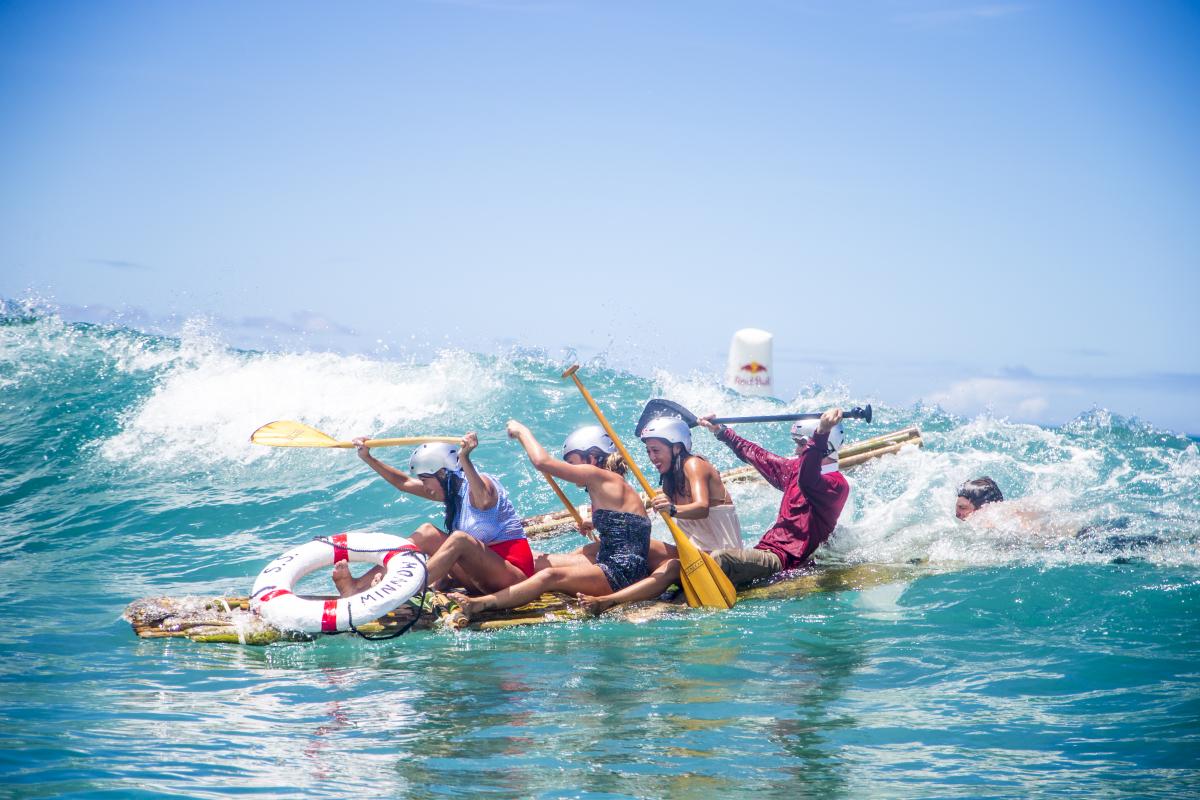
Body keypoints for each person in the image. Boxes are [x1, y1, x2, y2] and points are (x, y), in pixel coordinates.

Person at [448, 422, 651, 619]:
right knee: (537, 559)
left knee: (549, 577)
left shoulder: (597, 475)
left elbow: (542, 462)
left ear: (591, 458)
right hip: (612, 563)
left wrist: (522, 432)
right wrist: (595, 523)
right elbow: (629, 525)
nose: (570, 468)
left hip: (621, 574)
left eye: (572, 462)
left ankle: (482, 603)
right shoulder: (611, 483)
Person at [575, 415, 742, 615]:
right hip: (696, 553)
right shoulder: (670, 479)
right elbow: (636, 519)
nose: (652, 457)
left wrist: (672, 509)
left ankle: (607, 600)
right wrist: (596, 521)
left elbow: (702, 507)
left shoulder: (694, 464)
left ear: (677, 447)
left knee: (672, 566)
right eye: (648, 451)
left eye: (656, 450)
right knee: (636, 546)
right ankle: (578, 572)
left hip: (721, 557)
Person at [334, 432, 534, 597]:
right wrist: (367, 457)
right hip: (478, 577)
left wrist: (464, 458)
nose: (426, 487)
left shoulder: (480, 485)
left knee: (460, 540)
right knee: (427, 532)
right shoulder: (451, 492)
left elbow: (483, 500)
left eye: (425, 479)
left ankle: (398, 591)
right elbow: (402, 482)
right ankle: (358, 587)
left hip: (512, 579)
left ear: (443, 474)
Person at [699, 407, 850, 588]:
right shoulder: (795, 468)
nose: (796, 450)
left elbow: (808, 481)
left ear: (825, 446)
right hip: (767, 550)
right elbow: (756, 455)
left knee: (719, 558)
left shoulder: (836, 485)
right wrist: (721, 431)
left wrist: (821, 432)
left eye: (801, 444)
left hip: (784, 561)